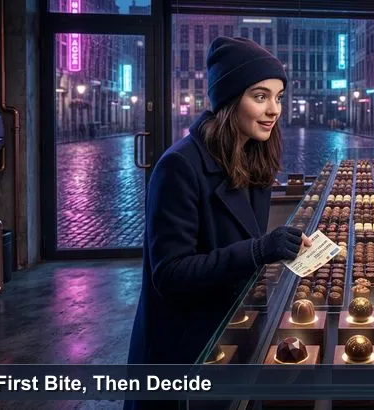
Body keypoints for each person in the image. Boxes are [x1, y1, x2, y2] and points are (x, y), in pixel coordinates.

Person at [126, 36, 310, 405]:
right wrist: (259, 250)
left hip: (230, 329)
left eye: (278, 97)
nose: (274, 109)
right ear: (229, 100)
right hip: (186, 348)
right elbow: (171, 274)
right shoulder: (179, 166)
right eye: (260, 96)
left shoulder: (253, 155)